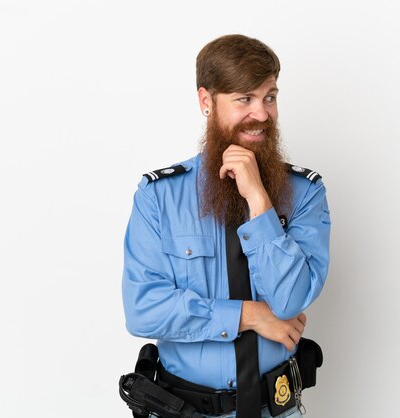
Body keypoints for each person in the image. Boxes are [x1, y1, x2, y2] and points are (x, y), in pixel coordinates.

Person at [121, 34, 331, 418]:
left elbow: (289, 301)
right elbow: (143, 311)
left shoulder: (304, 194)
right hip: (184, 409)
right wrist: (248, 315)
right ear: (206, 101)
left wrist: (260, 201)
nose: (262, 114)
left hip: (276, 409)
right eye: (244, 99)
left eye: (269, 96)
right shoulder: (159, 197)